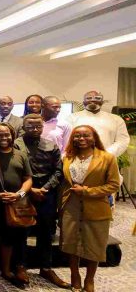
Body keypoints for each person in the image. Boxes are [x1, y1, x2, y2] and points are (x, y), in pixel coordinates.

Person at [60, 125, 120, 292]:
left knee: (94, 245)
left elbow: (113, 185)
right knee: (71, 244)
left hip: (96, 206)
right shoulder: (68, 157)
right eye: (77, 136)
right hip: (71, 206)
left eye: (86, 135)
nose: (81, 138)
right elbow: (64, 183)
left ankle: (89, 279)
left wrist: (86, 191)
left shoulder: (107, 158)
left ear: (94, 137)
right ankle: (75, 276)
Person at [14, 114, 69, 288]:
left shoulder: (51, 144)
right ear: (23, 126)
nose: (35, 129)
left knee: (46, 233)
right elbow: (13, 171)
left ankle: (46, 267)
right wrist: (30, 189)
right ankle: (20, 266)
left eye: (38, 126)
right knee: (22, 231)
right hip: (24, 191)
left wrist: (45, 188)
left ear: (42, 127)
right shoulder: (16, 144)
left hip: (46, 192)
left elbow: (58, 171)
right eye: (30, 126)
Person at [0, 123, 33, 289]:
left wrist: (19, 194)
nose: (4, 138)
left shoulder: (20, 154)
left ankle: (6, 271)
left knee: (8, 238)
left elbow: (28, 178)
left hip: (14, 203)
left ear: (12, 135)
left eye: (7, 134)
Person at [67, 91, 130, 158]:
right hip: (78, 159)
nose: (93, 100)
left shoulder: (116, 119)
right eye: (89, 98)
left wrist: (106, 154)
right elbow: (66, 140)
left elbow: (123, 140)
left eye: (97, 98)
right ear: (83, 102)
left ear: (102, 102)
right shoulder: (72, 118)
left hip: (107, 160)